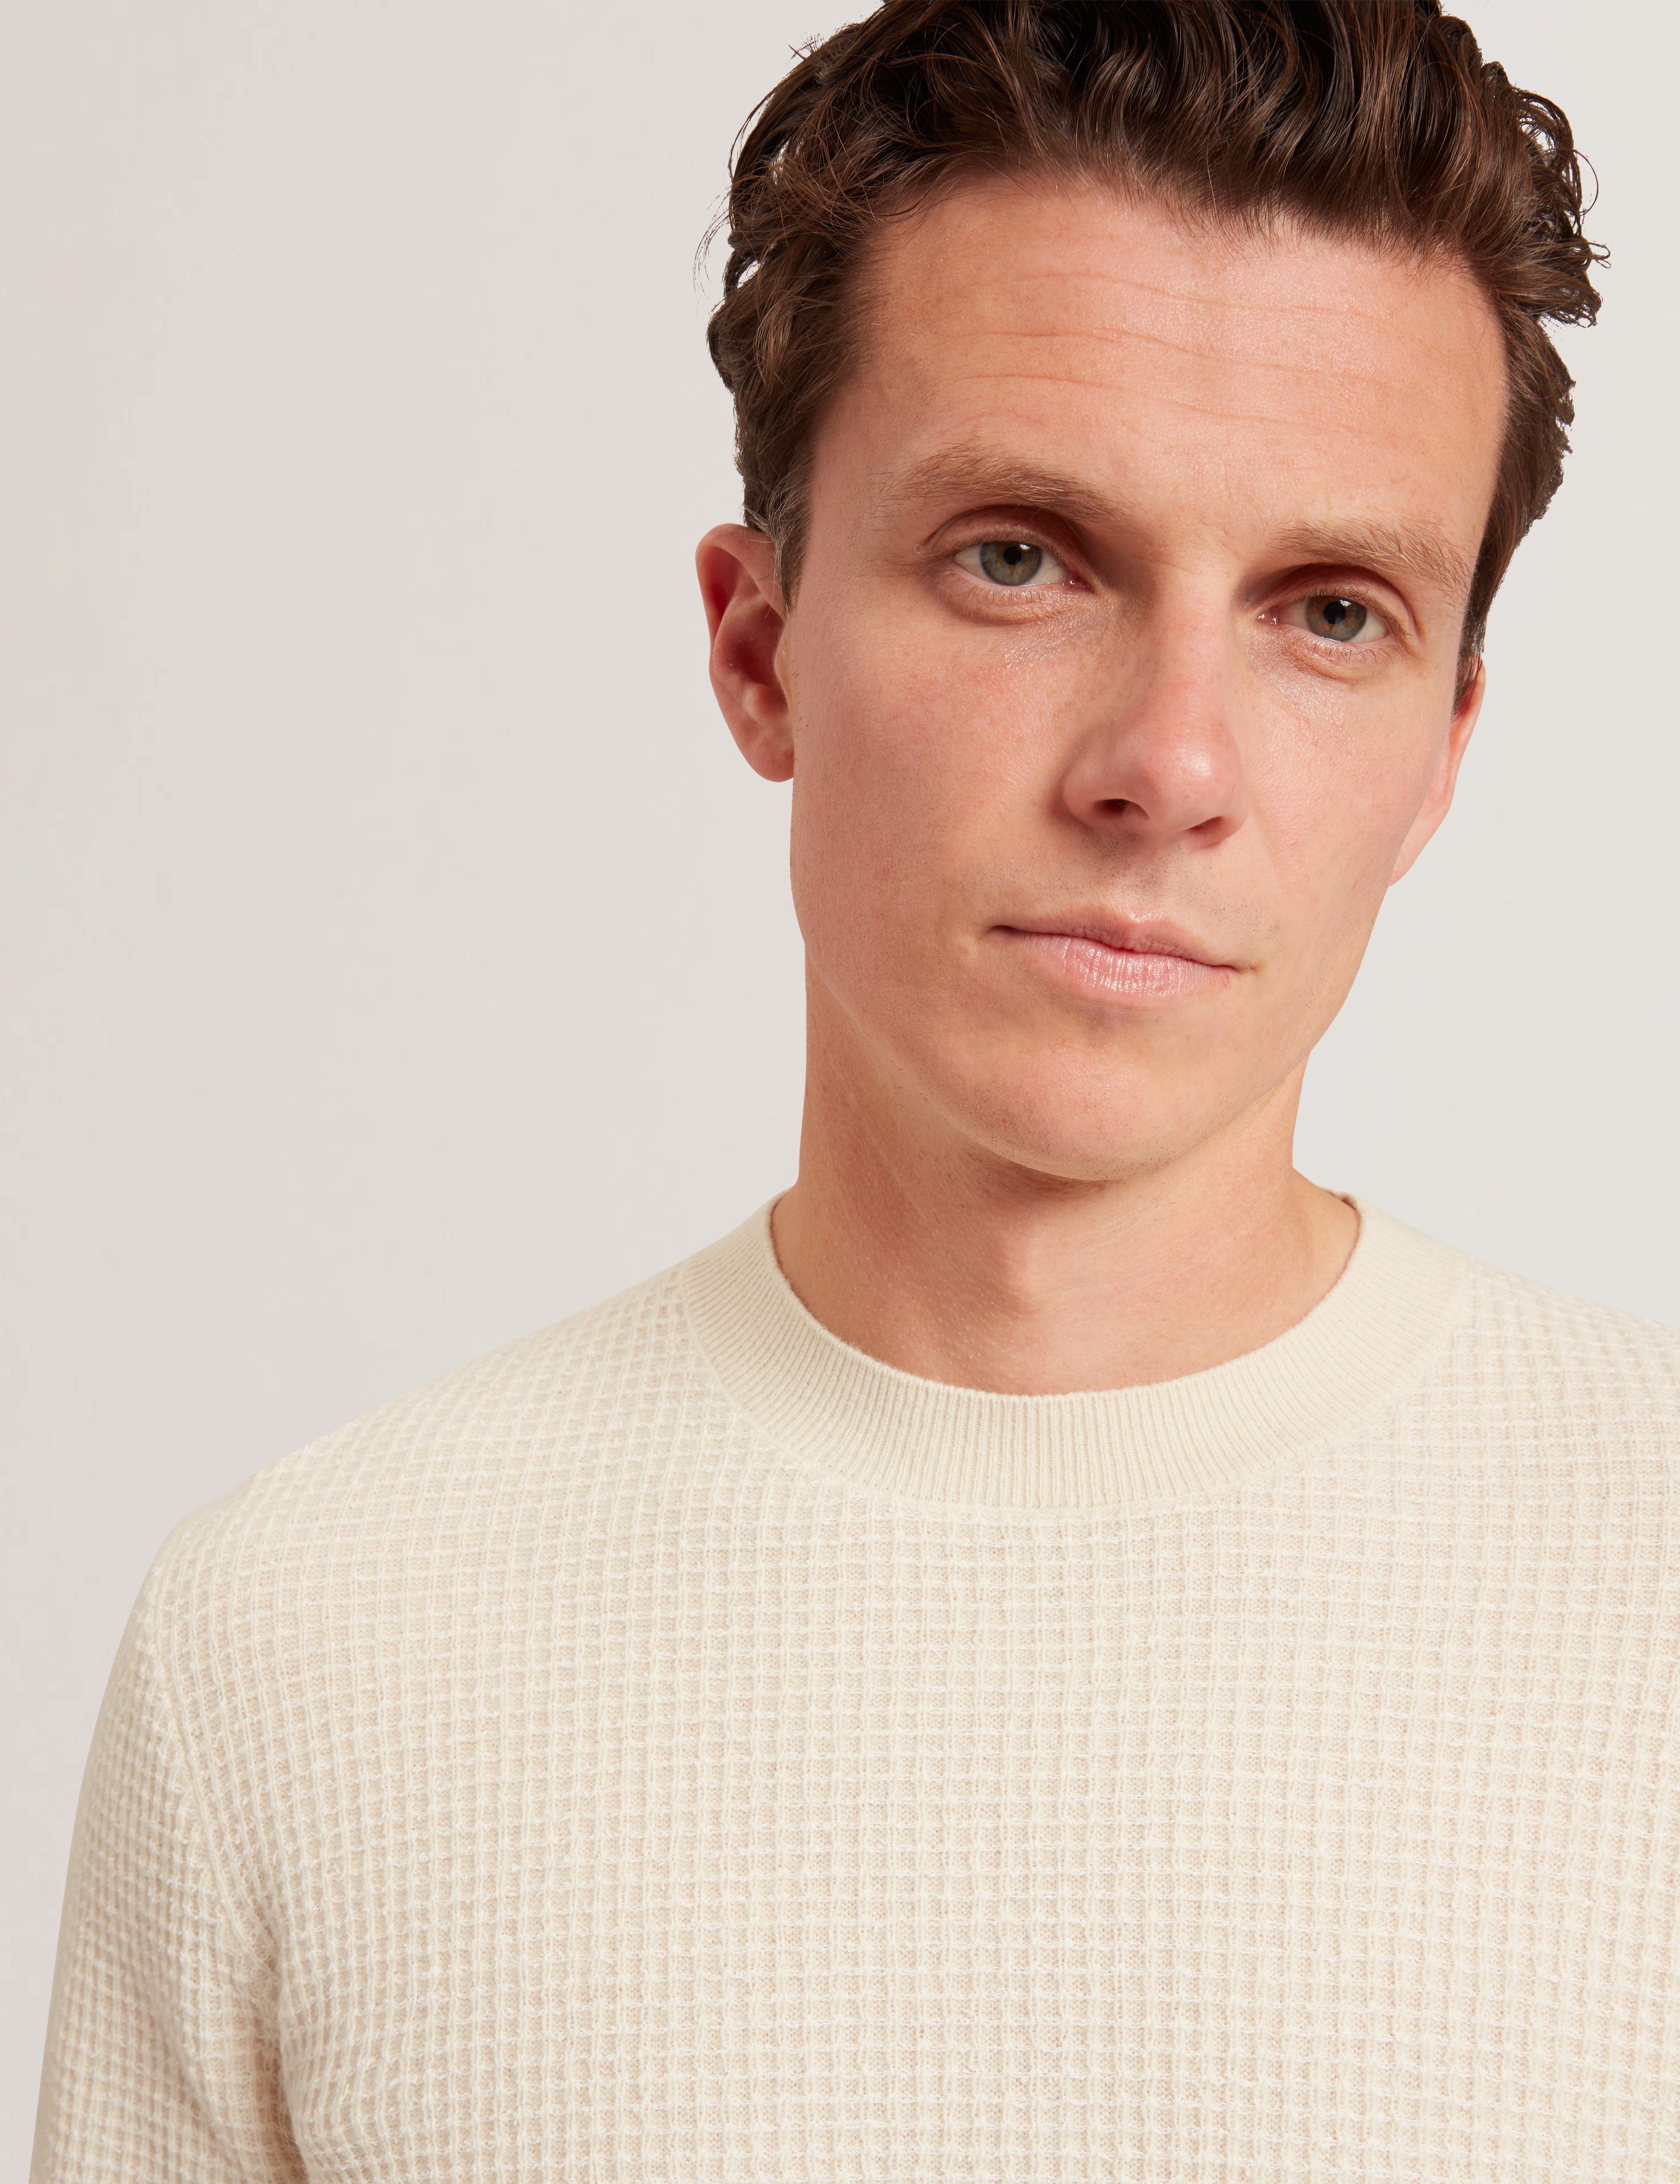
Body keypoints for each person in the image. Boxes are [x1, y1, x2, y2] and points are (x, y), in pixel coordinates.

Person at [32, 2, 1679, 2177]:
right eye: (1021, 556)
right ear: (758, 648)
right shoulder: (302, 1649)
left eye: (1331, 612)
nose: (1170, 766)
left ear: (1446, 752)